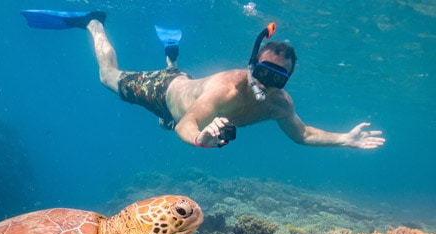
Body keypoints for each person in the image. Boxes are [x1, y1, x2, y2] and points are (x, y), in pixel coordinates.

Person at [21, 10, 385, 150]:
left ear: (287, 81)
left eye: (278, 78)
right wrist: (200, 137)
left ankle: (171, 52)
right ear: (250, 65)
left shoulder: (279, 105)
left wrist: (345, 140)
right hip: (164, 92)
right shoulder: (224, 90)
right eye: (261, 72)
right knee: (107, 77)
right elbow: (188, 121)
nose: (267, 83)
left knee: (178, 85)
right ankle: (92, 22)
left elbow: (303, 134)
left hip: (184, 86)